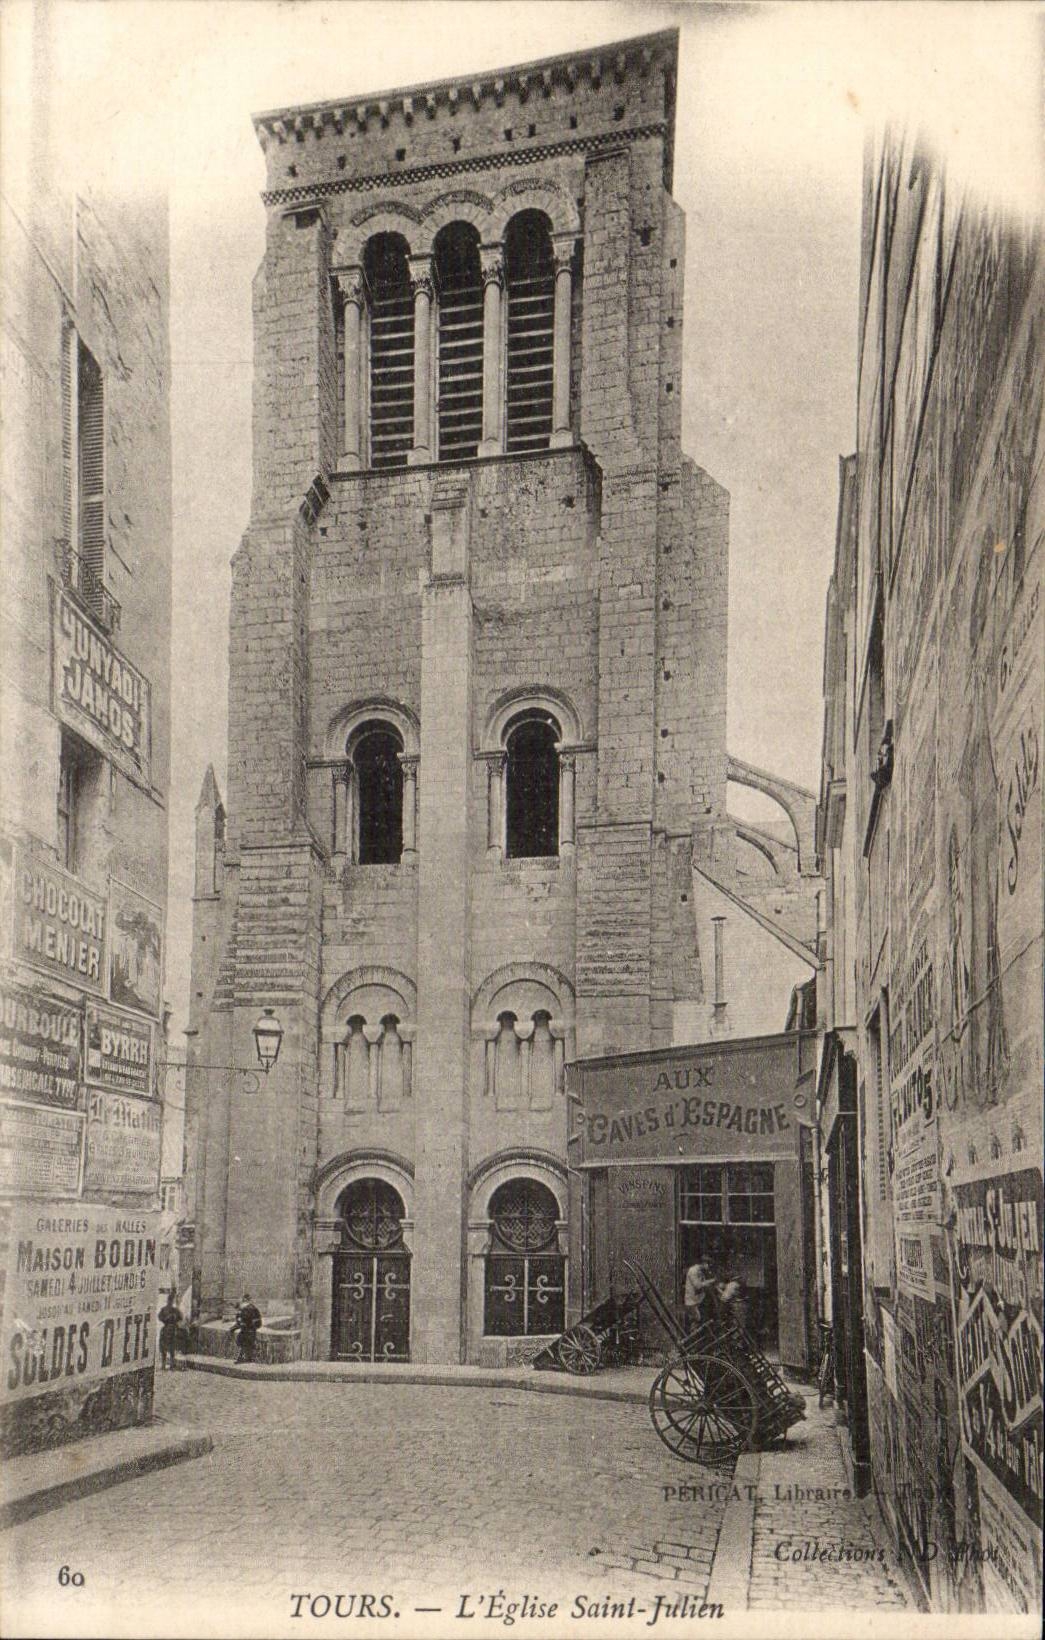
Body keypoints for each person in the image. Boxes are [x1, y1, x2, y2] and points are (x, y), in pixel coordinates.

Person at [683, 1256, 718, 1326]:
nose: (709, 1267)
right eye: (708, 1265)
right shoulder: (693, 1271)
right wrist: (711, 1281)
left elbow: (704, 1283)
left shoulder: (701, 1272)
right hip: (692, 1301)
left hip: (699, 1300)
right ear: (704, 1263)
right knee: (697, 1320)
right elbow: (698, 1286)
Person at [234, 1293, 262, 1363]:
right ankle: (245, 1358)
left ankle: (243, 1358)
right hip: (248, 1329)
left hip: (249, 1329)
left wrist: (243, 1324)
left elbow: (254, 1320)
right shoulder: (247, 1308)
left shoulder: (249, 1308)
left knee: (244, 1342)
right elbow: (240, 1320)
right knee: (243, 1342)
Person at [158, 1291, 182, 1371]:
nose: (170, 1302)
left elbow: (180, 1317)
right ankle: (164, 1365)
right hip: (166, 1330)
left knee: (171, 1348)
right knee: (164, 1348)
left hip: (171, 1330)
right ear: (168, 1301)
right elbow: (160, 1317)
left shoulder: (175, 1310)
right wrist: (167, 1319)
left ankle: (171, 1365)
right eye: (170, 1300)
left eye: (171, 1301)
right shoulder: (164, 1309)